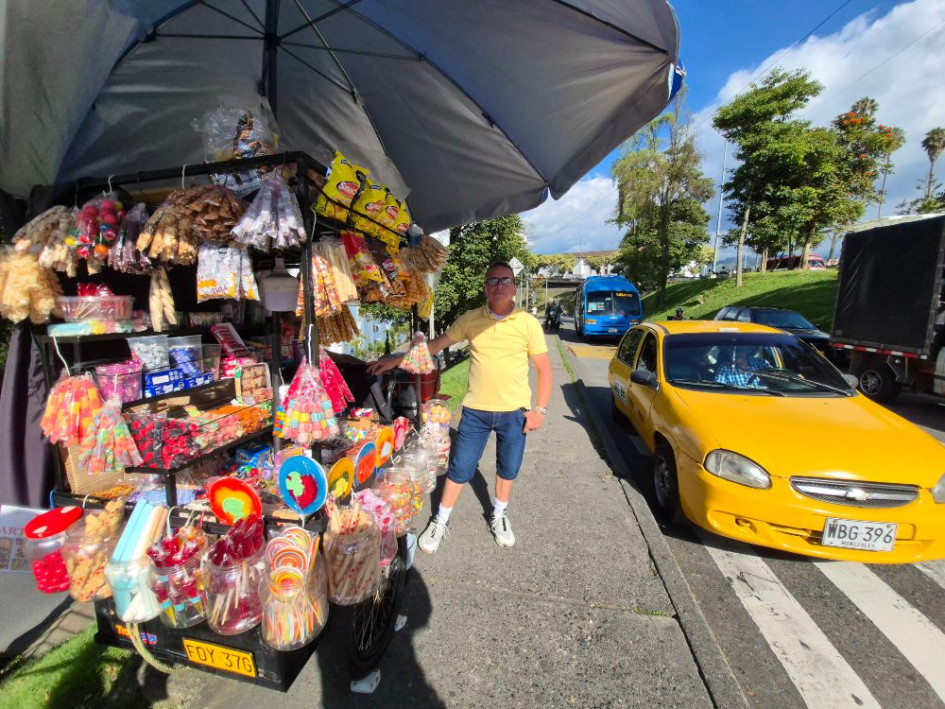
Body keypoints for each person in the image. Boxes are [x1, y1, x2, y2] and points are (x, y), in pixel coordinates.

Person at [367, 262, 552, 552]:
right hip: (476, 412)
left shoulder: (527, 323)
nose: (499, 285)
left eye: (505, 280)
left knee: (508, 468)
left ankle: (499, 514)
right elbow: (433, 346)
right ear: (485, 288)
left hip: (514, 412)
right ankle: (440, 520)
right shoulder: (470, 319)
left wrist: (539, 411)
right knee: (460, 467)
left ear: (514, 287)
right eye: (493, 280)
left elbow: (544, 369)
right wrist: (394, 361)